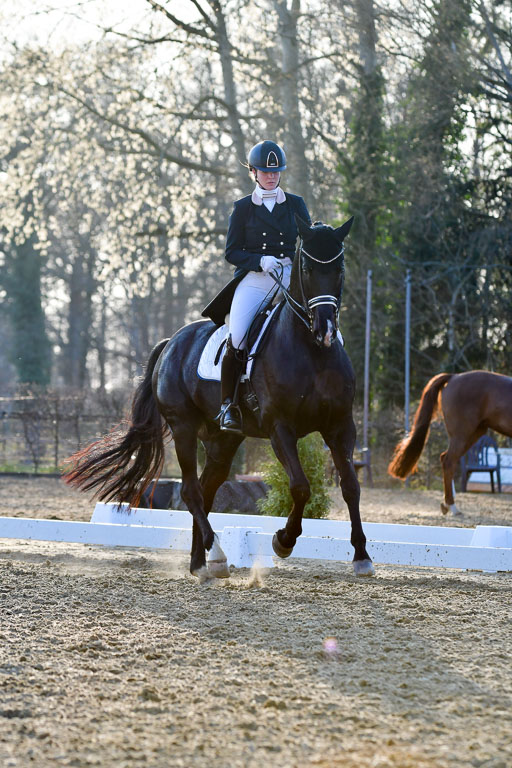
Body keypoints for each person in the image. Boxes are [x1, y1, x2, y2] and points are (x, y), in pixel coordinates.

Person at [202, 139, 312, 433]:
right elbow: (231, 252)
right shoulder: (242, 208)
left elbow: (309, 240)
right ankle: (228, 405)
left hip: (289, 276)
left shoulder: (296, 204)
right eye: (265, 171)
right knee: (237, 335)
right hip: (256, 279)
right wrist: (259, 260)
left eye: (276, 172)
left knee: (321, 322)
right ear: (254, 172)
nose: (272, 176)